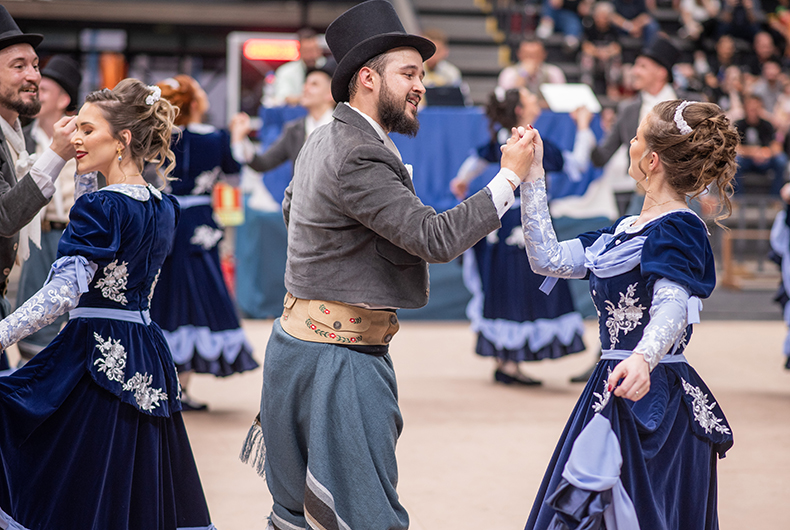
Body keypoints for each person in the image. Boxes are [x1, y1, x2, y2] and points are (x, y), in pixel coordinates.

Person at [239, 1, 538, 529]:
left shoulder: (324, 137)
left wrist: (346, 255)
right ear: (368, 78)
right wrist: (509, 177)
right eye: (409, 73)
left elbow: (294, 207)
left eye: (421, 74)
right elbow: (434, 237)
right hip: (339, 360)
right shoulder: (359, 151)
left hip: (298, 347)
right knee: (370, 517)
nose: (420, 85)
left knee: (294, 516)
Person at [0, 79, 215, 529]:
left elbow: (64, 291)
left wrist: (2, 334)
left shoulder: (100, 208)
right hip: (145, 353)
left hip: (92, 356)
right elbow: (107, 239)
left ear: (124, 139)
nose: (74, 138)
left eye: (87, 130)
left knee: (80, 480)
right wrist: (83, 176)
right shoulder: (164, 206)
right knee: (126, 481)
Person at [520, 99, 737, 529]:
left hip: (652, 396)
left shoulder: (678, 227)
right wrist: (533, 177)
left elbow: (672, 305)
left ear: (651, 161)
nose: (630, 143)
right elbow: (547, 258)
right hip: (613, 385)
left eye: (635, 137)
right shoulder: (622, 231)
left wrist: (642, 357)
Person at [450, 86, 595, 385]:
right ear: (520, 109)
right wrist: (583, 128)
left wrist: (462, 180)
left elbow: (478, 157)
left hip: (500, 224)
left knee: (504, 286)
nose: (536, 101)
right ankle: (509, 362)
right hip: (522, 223)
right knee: (520, 285)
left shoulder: (504, 139)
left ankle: (506, 360)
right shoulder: (530, 142)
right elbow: (577, 166)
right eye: (529, 97)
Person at [150, 74, 257, 411]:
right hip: (200, 223)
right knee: (200, 294)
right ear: (195, 104)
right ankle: (180, 386)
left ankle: (168, 384)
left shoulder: (162, 138)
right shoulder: (217, 138)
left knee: (166, 296)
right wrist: (237, 137)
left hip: (167, 218)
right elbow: (234, 172)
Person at [14, 54, 81, 365]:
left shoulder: (82, 138)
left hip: (73, 233)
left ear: (64, 98)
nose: (36, 92)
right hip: (37, 236)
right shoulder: (20, 138)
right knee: (33, 313)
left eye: (46, 90)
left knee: (74, 312)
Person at [230, 60, 337, 176]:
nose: (305, 88)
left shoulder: (342, 128)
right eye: (305, 83)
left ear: (330, 94)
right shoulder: (295, 130)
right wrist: (241, 138)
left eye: (314, 84)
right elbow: (263, 163)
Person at [734, 93, 787, 195]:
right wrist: (754, 152)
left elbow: (777, 146)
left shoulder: (767, 125)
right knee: (735, 161)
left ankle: (775, 198)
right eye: (751, 108)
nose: (753, 111)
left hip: (765, 159)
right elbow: (735, 147)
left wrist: (766, 152)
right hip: (746, 159)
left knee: (781, 160)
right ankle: (737, 198)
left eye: (756, 108)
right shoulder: (739, 124)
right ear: (745, 108)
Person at [270, 28, 326, 106]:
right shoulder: (286, 71)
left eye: (314, 50)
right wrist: (313, 100)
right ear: (299, 50)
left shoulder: (330, 68)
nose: (311, 55)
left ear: (320, 50)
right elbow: (283, 97)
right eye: (307, 50)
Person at [580, 1, 623, 97]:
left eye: (605, 16)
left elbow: (617, 48)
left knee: (616, 58)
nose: (602, 19)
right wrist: (598, 52)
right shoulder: (589, 26)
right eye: (600, 16)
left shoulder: (613, 29)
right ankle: (587, 86)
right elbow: (585, 46)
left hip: (607, 59)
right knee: (586, 58)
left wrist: (607, 53)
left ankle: (612, 87)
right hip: (594, 58)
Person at [497, 38, 566, 96]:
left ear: (544, 55)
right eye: (527, 55)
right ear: (519, 54)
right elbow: (508, 100)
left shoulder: (554, 72)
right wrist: (523, 74)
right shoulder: (508, 73)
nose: (531, 59)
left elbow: (560, 99)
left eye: (535, 55)